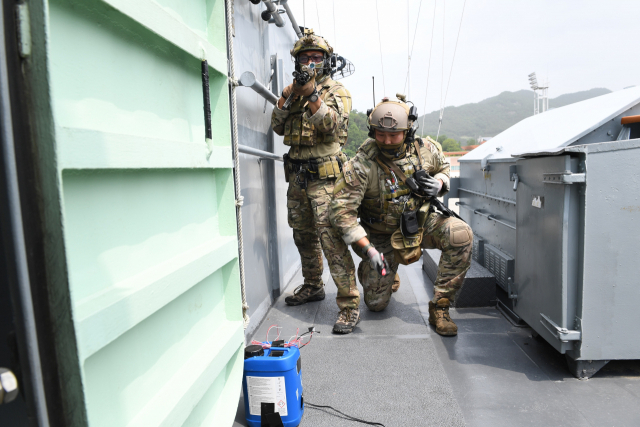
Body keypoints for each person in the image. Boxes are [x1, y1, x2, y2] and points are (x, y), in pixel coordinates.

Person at [330, 96, 473, 336]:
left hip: (420, 224)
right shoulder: (362, 164)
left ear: (408, 131)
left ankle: (440, 307)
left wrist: (439, 183)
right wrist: (369, 251)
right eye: (380, 134)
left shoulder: (426, 150)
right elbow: (342, 213)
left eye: (394, 135)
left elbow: (444, 167)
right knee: (375, 305)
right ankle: (382, 271)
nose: (386, 141)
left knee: (460, 234)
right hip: (380, 236)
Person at [271, 29, 360, 334]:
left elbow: (331, 126)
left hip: (325, 179)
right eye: (304, 57)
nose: (309, 62)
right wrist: (289, 95)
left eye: (315, 57)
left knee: (331, 240)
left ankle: (348, 305)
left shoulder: (337, 91)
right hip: (297, 176)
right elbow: (277, 128)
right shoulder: (292, 92)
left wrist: (311, 95)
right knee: (303, 235)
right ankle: (313, 286)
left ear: (326, 61)